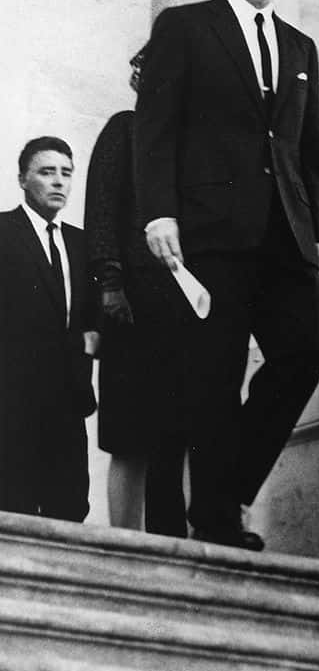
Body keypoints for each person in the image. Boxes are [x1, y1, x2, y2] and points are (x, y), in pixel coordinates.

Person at [132, 0, 319, 550]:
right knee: (214, 377)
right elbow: (154, 132)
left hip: (284, 239)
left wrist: (318, 233)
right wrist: (158, 212)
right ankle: (215, 517)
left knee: (300, 358)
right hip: (210, 232)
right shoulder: (185, 28)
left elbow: (307, 154)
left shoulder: (301, 47)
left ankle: (225, 489)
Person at [84, 49, 191, 536]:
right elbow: (101, 213)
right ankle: (123, 546)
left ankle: (169, 544)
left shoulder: (190, 143)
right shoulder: (122, 129)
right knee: (129, 437)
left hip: (182, 311)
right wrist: (110, 284)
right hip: (130, 305)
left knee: (174, 435)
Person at [0, 137, 96, 521]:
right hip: (12, 398)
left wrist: (91, 341)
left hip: (68, 397)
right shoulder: (4, 231)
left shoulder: (82, 241)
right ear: (23, 178)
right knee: (14, 503)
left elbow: (89, 314)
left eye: (66, 173)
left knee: (70, 506)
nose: (59, 182)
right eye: (46, 172)